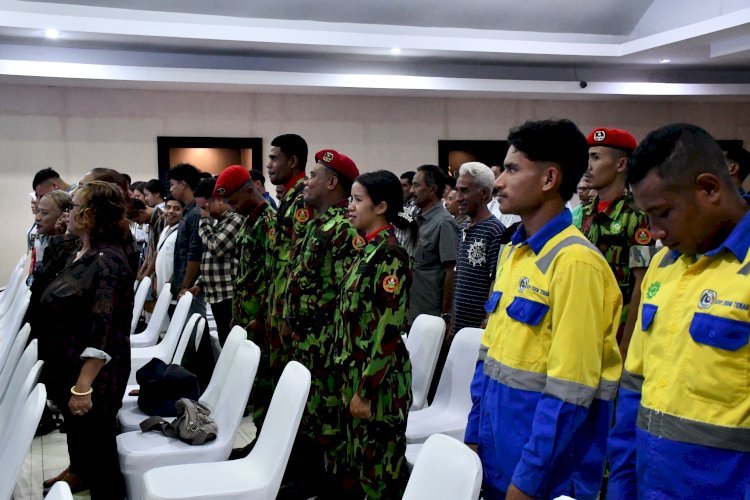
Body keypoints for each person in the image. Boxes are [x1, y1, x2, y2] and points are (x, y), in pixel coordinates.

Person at [465, 119, 622, 500]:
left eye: (512, 169)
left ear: (550, 178)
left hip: (545, 476)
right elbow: (489, 359)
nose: (499, 182)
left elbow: (571, 392)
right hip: (496, 457)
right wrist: (473, 438)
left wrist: (528, 481)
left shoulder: (575, 264)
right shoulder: (515, 252)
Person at [607, 123, 750, 499]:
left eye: (663, 213)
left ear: (709, 189)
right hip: (648, 484)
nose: (654, 231)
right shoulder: (663, 265)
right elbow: (634, 385)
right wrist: (622, 485)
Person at [36, 181, 134, 498]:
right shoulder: (81, 251)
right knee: (84, 440)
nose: (68, 213)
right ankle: (81, 473)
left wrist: (83, 386)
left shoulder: (108, 261)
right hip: (68, 364)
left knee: (100, 451)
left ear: (91, 214)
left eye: (74, 207)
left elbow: (105, 328)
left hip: (95, 377)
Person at [282, 149, 363, 498]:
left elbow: (348, 294)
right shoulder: (317, 224)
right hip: (307, 338)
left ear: (331, 183)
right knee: (312, 412)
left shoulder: (344, 228)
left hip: (327, 341)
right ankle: (312, 477)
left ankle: (333, 484)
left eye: (313, 176)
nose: (306, 181)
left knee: (329, 415)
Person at [333, 170, 413, 499]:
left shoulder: (389, 255)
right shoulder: (367, 250)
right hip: (357, 374)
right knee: (361, 467)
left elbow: (387, 331)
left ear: (381, 207)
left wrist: (365, 392)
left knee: (381, 476)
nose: (350, 207)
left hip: (379, 385)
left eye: (357, 200)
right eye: (350, 199)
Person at [580, 127, 656, 358]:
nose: (588, 166)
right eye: (588, 157)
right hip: (584, 322)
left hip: (617, 329)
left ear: (621, 164)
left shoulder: (637, 215)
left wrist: (626, 345)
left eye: (596, 157)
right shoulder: (585, 212)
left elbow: (642, 283)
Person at [214, 165, 276, 431]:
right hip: (245, 314)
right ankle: (257, 439)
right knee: (252, 379)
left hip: (260, 319)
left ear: (250, 191)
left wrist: (261, 317)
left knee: (263, 382)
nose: (231, 207)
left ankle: (264, 439)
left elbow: (273, 276)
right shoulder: (249, 220)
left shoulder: (269, 222)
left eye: (233, 201)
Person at [265, 134, 310, 385]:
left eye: (274, 158)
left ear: (292, 161)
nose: (269, 165)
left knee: (290, 380)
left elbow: (299, 259)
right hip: (280, 303)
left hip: (291, 308)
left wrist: (288, 311)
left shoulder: (303, 198)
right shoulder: (290, 197)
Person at [192, 176, 244, 345]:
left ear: (218, 199)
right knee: (223, 340)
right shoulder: (220, 222)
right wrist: (200, 282)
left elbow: (215, 248)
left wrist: (204, 221)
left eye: (204, 207)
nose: (203, 212)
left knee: (231, 343)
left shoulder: (235, 219)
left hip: (228, 295)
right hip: (217, 294)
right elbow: (211, 259)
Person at [409, 164, 457, 326]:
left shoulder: (444, 222)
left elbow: (450, 272)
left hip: (430, 313)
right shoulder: (416, 219)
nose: (411, 191)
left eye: (416, 185)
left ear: (432, 189)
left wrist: (445, 313)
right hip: (411, 308)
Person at [167, 163, 205, 315]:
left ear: (183, 184)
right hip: (183, 282)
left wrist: (185, 285)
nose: (170, 189)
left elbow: (195, 253)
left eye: (172, 184)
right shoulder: (188, 211)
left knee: (193, 325)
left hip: (191, 286)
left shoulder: (195, 213)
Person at [28, 190, 72, 280]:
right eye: (38, 211)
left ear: (64, 216)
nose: (37, 218)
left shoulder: (71, 249)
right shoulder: (41, 239)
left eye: (44, 213)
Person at [153, 197, 183, 299]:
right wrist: (156, 279)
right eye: (168, 207)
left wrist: (171, 282)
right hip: (161, 286)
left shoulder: (181, 232)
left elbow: (182, 261)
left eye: (177, 209)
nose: (171, 211)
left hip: (171, 289)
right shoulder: (166, 229)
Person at [396, 170, 417, 255]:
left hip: (411, 254)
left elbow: (407, 223)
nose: (401, 189)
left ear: (412, 187)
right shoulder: (400, 203)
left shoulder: (417, 206)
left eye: (404, 185)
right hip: (399, 252)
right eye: (400, 186)